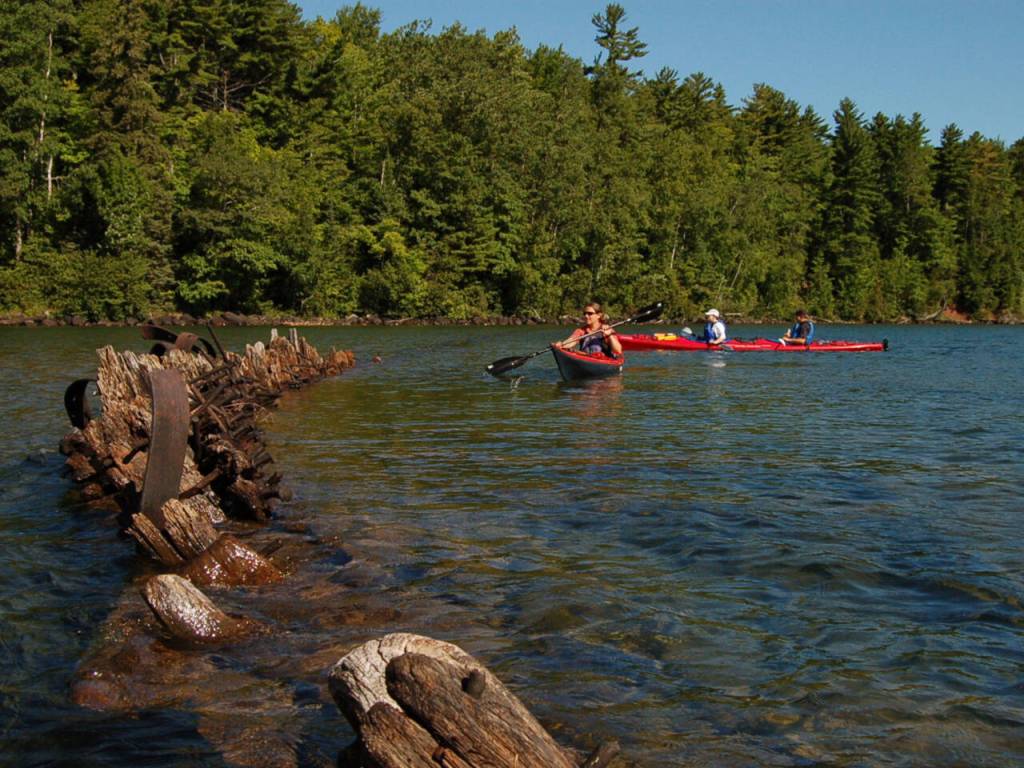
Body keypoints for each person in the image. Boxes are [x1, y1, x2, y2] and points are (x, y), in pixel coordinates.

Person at [554, 302, 623, 358]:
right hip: (586, 359)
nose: (586, 316)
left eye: (590, 314)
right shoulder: (581, 331)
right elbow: (571, 341)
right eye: (585, 313)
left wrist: (610, 335)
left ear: (599, 315)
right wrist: (561, 345)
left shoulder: (607, 329)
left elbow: (618, 351)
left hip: (604, 361)